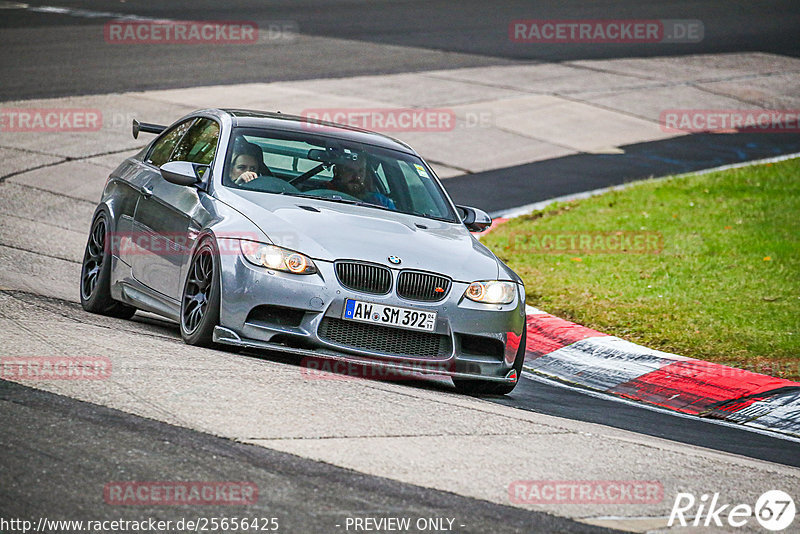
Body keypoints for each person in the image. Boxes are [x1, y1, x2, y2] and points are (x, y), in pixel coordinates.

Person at [331, 155, 395, 209]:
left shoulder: (382, 202)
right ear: (337, 171)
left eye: (361, 171)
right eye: (350, 170)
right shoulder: (323, 193)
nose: (357, 176)